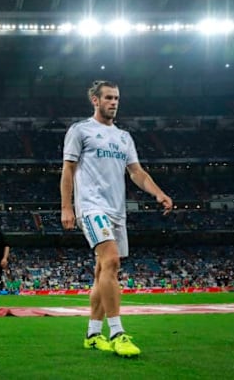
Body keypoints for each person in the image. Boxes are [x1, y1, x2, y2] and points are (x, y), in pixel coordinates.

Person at [60, 80, 173, 357]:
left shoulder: (124, 137)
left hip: (116, 210)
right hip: (91, 207)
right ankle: (118, 332)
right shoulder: (80, 130)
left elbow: (136, 172)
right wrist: (66, 207)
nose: (114, 102)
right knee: (110, 260)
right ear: (95, 101)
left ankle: (93, 334)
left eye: (117, 98)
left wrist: (158, 193)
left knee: (104, 271)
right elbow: (68, 170)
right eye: (108, 97)